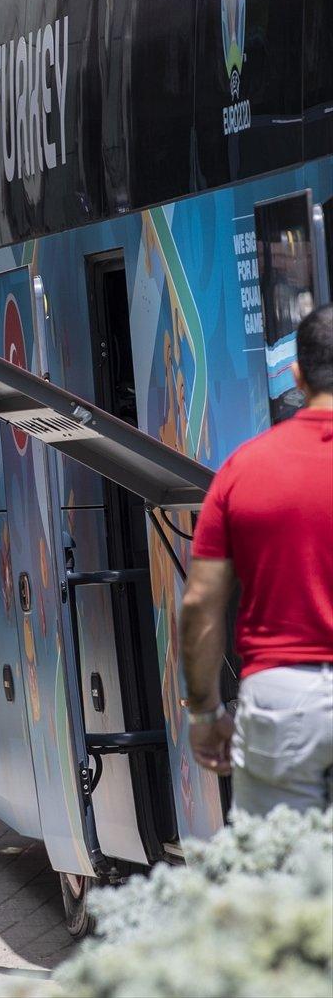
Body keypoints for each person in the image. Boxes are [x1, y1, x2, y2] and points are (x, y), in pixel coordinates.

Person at [182, 303, 333, 814]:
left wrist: (206, 712)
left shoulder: (244, 469)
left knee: (284, 877)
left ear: (296, 374)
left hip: (280, 698)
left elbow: (201, 603)